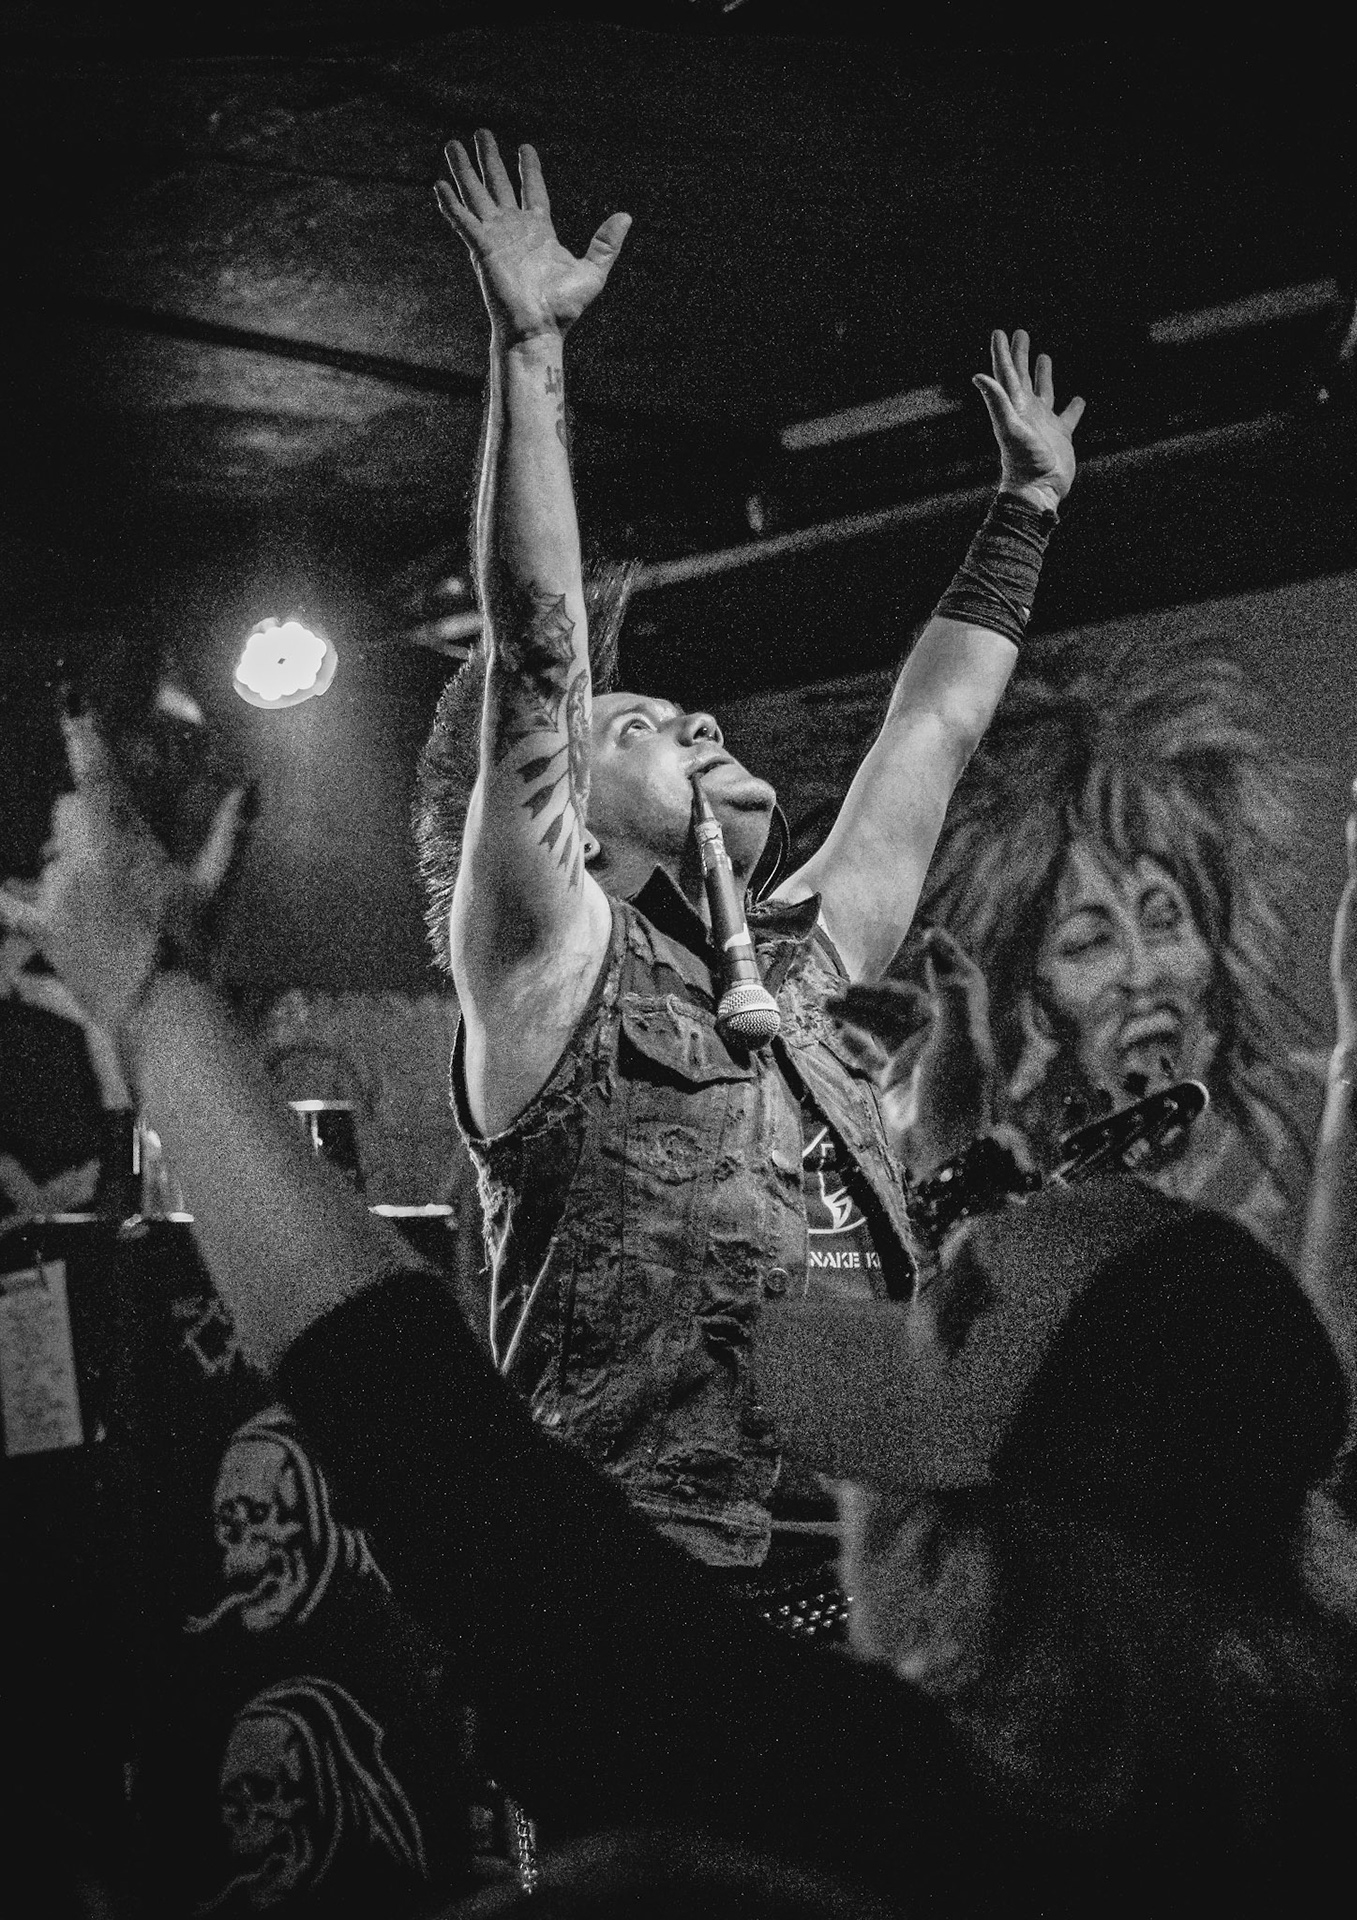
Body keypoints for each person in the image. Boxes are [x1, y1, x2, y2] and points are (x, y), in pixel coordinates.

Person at [0, 706, 1357, 1914]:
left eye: (933, 1345)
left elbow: (434, 1448)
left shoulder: (877, 1816)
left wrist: (145, 992)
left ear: (973, 1557)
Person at [414, 131, 1085, 1574]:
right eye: (642, 726)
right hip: (649, 1598)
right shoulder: (550, 977)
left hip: (864, 1578)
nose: (698, 718)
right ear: (569, 816)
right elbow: (540, 654)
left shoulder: (806, 971)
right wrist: (529, 351)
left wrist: (1027, 508)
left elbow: (934, 731)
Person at [904, 652, 1318, 1257]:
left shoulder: (1319, 1125)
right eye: (1088, 942)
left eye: (1164, 919)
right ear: (1036, 1000)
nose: (1142, 973)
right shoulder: (1017, 1201)